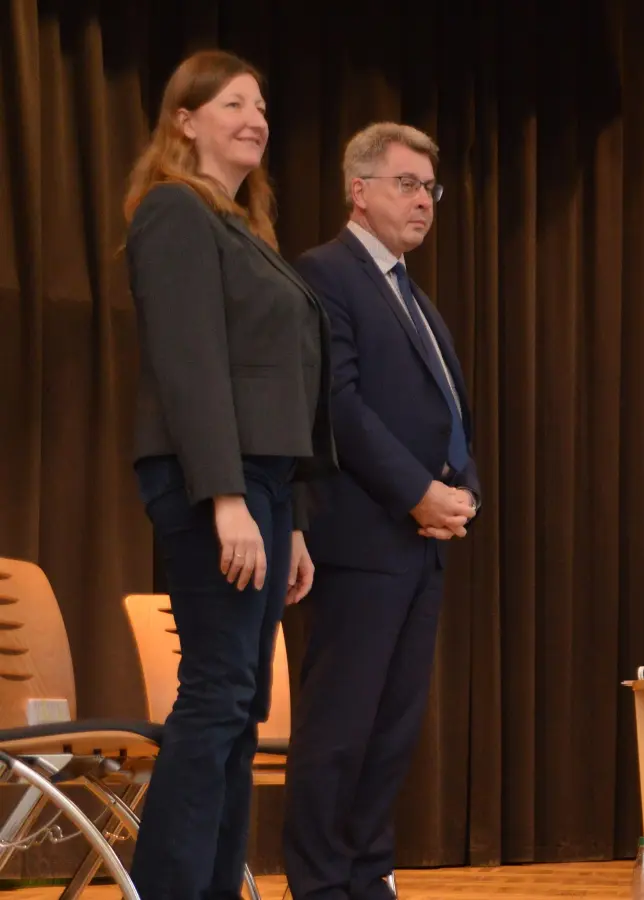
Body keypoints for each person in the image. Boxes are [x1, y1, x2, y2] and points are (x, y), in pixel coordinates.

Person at [122, 49, 334, 900]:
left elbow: (287, 383)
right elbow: (190, 366)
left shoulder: (244, 226)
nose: (257, 118)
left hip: (266, 485)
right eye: (235, 103)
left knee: (239, 706)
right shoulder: (175, 212)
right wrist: (226, 499)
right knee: (216, 695)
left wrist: (296, 520)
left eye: (263, 106)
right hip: (218, 480)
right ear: (185, 119)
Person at [283, 123, 480, 900]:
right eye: (407, 184)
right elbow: (341, 404)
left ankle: (369, 878)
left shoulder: (415, 298)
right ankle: (323, 885)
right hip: (363, 541)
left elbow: (449, 414)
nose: (424, 201)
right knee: (340, 732)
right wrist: (417, 493)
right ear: (357, 191)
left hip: (421, 544)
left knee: (393, 733)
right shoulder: (325, 274)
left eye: (430, 188)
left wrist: (463, 491)